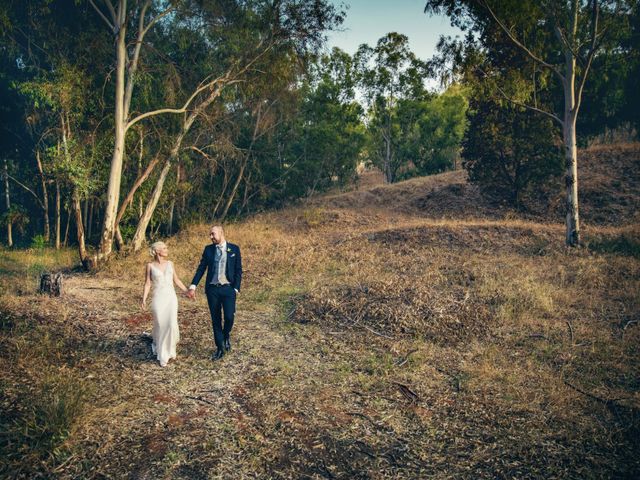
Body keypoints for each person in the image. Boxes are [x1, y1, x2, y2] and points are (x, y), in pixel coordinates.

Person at [187, 225, 242, 361]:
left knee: (229, 317)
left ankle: (226, 335)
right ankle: (220, 348)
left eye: (213, 234)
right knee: (216, 319)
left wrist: (236, 288)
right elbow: (201, 269)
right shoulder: (208, 250)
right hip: (212, 290)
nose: (211, 237)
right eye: (210, 235)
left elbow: (238, 270)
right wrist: (193, 285)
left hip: (228, 289)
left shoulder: (234, 249)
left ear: (221, 233)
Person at [142, 241, 188, 367]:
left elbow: (176, 280)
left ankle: (168, 352)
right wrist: (144, 299)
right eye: (164, 248)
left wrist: (187, 291)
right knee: (161, 324)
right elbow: (147, 283)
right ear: (157, 251)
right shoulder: (150, 266)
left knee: (171, 324)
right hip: (158, 298)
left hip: (171, 298)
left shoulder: (170, 264)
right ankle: (161, 351)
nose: (167, 250)